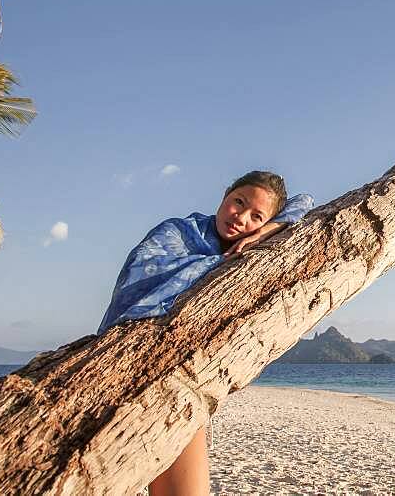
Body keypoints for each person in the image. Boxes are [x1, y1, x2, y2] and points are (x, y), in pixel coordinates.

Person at [97, 170, 313, 496]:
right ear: (225, 195)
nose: (241, 218)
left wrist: (267, 231)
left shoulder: (256, 239)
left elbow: (307, 203)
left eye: (257, 215)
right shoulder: (179, 231)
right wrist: (223, 262)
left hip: (182, 372)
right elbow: (140, 281)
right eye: (238, 202)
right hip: (132, 350)